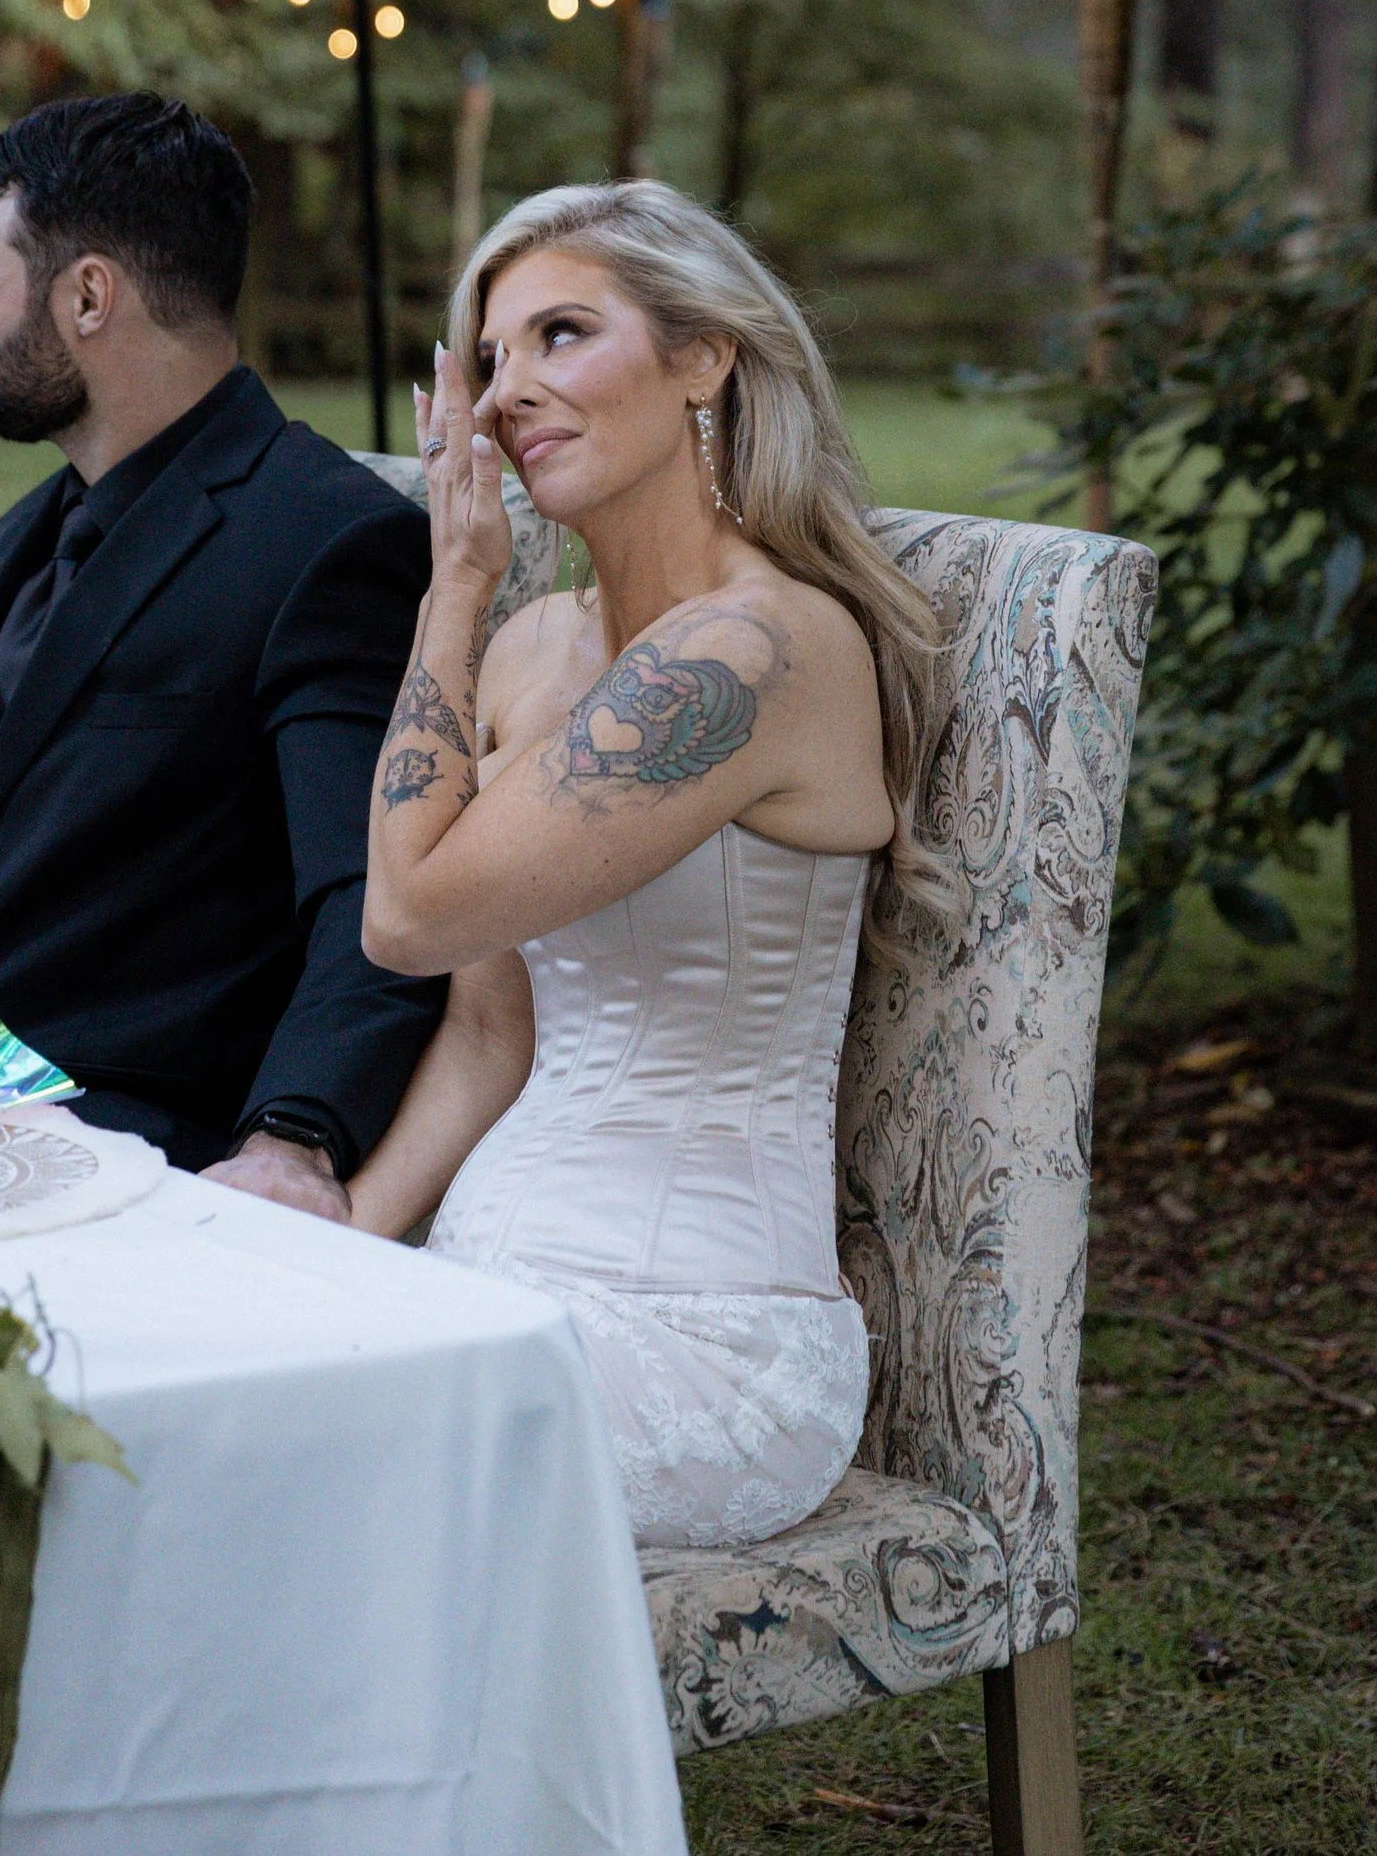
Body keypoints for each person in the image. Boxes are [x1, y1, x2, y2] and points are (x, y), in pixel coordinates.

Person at [344, 180, 955, 1551]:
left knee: (306, 1475)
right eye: (491, 357)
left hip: (706, 1334)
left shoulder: (754, 648)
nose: (509, 391)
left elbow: (405, 912)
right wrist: (338, 1246)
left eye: (563, 333)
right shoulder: (532, 651)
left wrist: (449, 588)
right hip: (492, 1283)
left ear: (702, 355)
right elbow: (489, 1030)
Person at [0, 91, 442, 1213]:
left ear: (86, 295)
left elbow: (374, 899)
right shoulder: (20, 538)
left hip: (111, 1155)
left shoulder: (330, 543)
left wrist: (293, 1137)